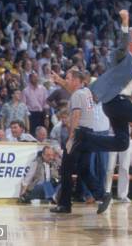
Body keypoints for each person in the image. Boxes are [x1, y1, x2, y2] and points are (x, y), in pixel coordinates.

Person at [71, 10, 132, 175]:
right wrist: (125, 22)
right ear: (131, 42)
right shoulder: (120, 54)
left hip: (118, 105)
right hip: (116, 101)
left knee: (122, 143)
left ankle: (84, 140)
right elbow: (123, 42)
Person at [50, 69, 108, 214]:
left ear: (76, 80)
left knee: (66, 169)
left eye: (68, 78)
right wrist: (60, 80)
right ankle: (102, 195)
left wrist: (71, 138)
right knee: (84, 169)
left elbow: (76, 114)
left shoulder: (76, 95)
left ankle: (64, 205)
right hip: (89, 133)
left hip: (79, 133)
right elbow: (71, 88)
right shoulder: (86, 92)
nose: (66, 80)